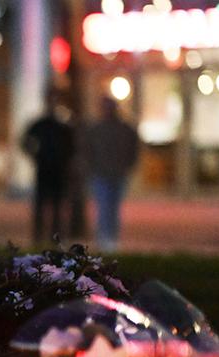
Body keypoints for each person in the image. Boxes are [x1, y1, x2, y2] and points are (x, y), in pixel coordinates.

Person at [82, 98, 140, 253]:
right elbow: (87, 150)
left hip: (118, 174)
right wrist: (91, 167)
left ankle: (112, 239)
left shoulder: (125, 129)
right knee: (103, 207)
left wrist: (128, 165)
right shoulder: (96, 129)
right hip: (100, 174)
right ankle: (103, 239)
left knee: (113, 208)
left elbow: (134, 148)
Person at [21, 90, 75, 245]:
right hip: (43, 169)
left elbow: (72, 148)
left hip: (59, 171)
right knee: (40, 206)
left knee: (57, 208)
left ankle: (55, 239)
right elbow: (25, 142)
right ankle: (38, 238)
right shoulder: (40, 124)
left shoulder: (63, 127)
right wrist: (36, 157)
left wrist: (66, 161)